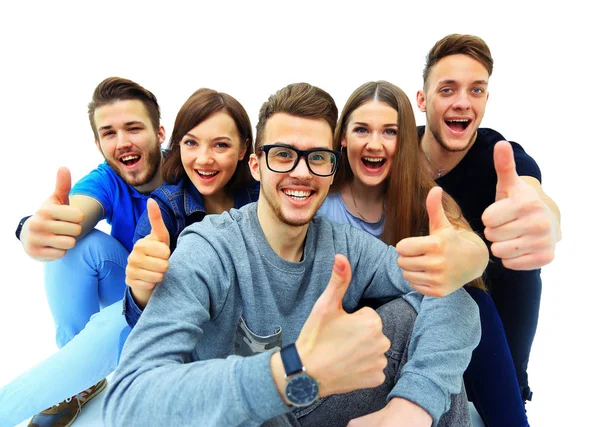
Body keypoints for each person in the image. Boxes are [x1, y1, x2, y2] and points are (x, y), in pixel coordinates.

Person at [104, 82, 484, 427]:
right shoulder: (209, 248)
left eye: (317, 157)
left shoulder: (345, 246)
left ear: (333, 170)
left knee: (425, 336)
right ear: (255, 166)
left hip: (314, 410)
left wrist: (412, 406)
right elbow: (127, 402)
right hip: (236, 417)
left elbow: (451, 298)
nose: (301, 173)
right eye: (283, 154)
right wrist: (292, 368)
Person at [320, 79, 530, 426]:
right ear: (343, 137)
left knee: (471, 301)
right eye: (362, 130)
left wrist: (468, 254)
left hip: (413, 354)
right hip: (345, 357)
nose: (375, 144)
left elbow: (464, 248)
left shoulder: (423, 199)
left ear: (404, 142)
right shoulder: (321, 205)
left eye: (389, 132)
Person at [1, 77, 166, 427]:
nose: (122, 142)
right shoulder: (108, 178)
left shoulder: (194, 172)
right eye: (109, 133)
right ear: (98, 143)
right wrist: (33, 227)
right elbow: (72, 217)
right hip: (135, 291)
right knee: (75, 245)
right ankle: (80, 381)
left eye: (133, 128)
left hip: (183, 307)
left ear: (160, 133)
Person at [416, 34, 561, 424]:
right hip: (418, 333)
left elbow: (534, 198)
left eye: (476, 89)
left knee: (514, 268)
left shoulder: (504, 160)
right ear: (422, 100)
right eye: (448, 89)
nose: (463, 100)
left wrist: (545, 222)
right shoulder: (394, 152)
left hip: (494, 345)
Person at [123, 87, 257, 323]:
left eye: (220, 145)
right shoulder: (165, 208)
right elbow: (137, 320)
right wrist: (141, 288)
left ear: (243, 149)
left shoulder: (261, 197)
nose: (204, 159)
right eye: (191, 143)